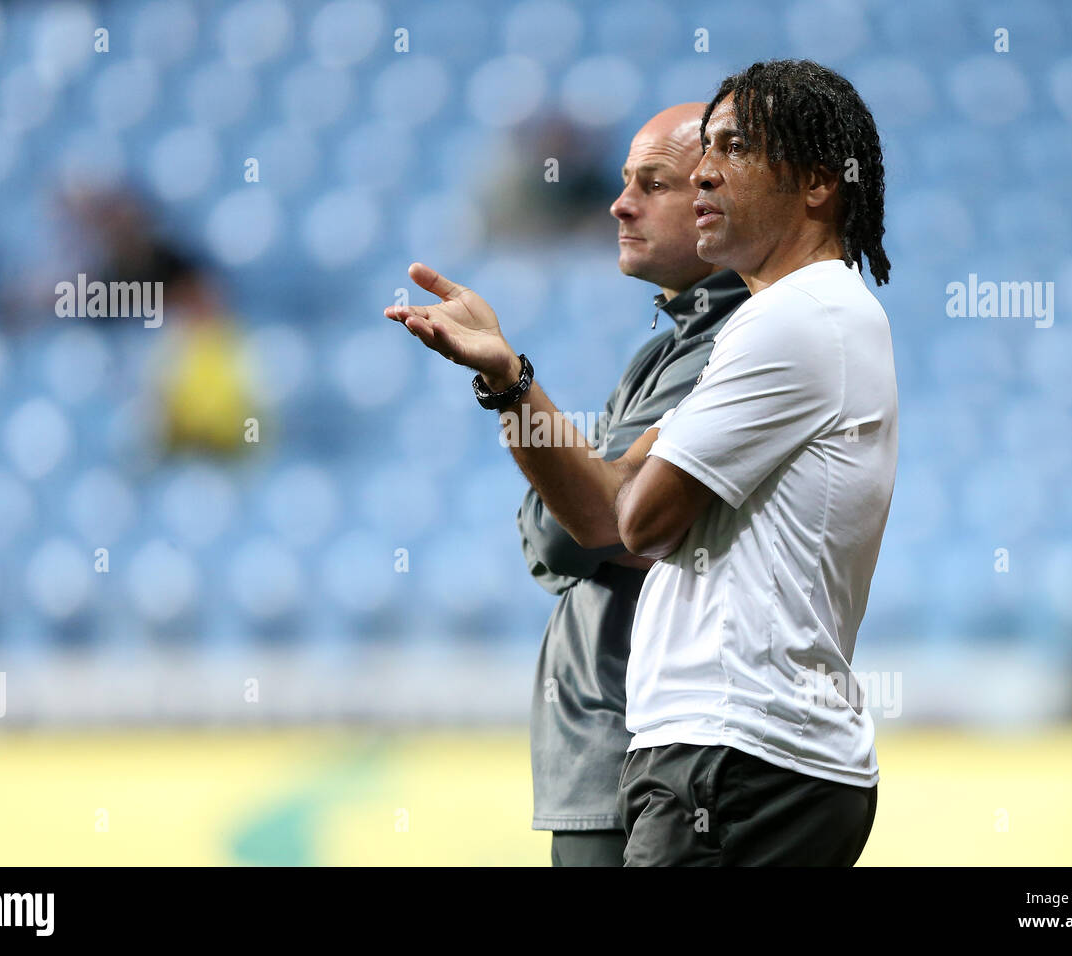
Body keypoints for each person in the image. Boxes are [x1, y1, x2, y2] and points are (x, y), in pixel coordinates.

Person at [384, 104, 749, 866]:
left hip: (636, 757)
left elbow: (579, 528)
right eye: (622, 182)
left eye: (653, 184)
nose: (620, 204)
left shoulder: (734, 347)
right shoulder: (667, 350)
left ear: (719, 201)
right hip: (629, 758)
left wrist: (508, 383)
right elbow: (567, 529)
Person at [611, 59, 898, 865]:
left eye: (733, 147)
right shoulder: (821, 312)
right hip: (764, 756)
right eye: (705, 146)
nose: (703, 169)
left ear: (816, 183)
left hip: (735, 757)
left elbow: (635, 520)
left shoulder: (793, 318)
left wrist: (513, 388)